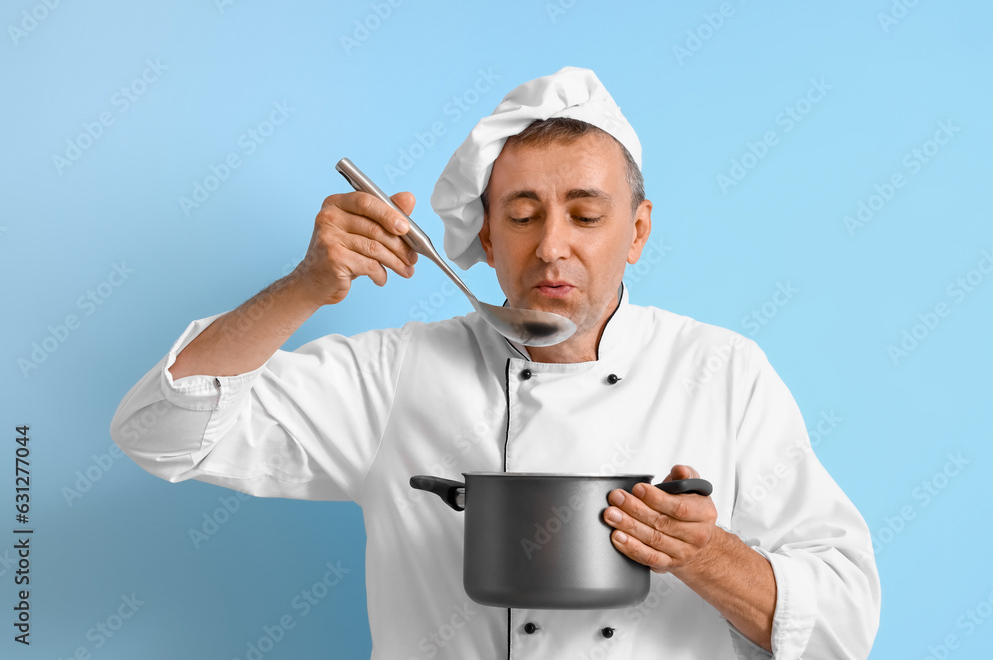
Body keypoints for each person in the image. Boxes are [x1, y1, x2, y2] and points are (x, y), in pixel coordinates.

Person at [110, 66, 880, 659]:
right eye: (520, 215)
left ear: (638, 231)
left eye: (586, 214)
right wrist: (305, 287)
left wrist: (706, 555)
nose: (552, 246)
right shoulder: (398, 375)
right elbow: (158, 430)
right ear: (483, 238)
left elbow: (846, 620)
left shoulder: (724, 372)